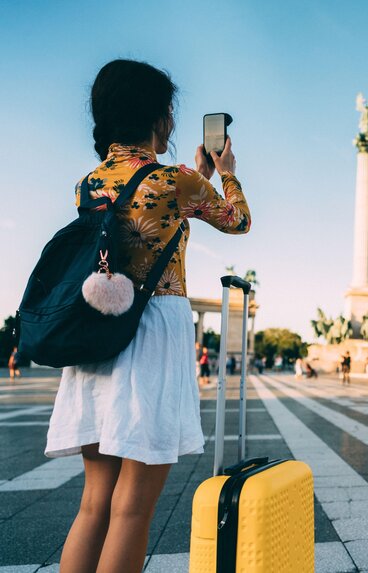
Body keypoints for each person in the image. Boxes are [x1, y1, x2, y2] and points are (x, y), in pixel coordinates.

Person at [44, 59, 250, 573]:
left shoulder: (88, 183)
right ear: (157, 117)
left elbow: (144, 214)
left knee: (95, 502)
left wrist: (198, 179)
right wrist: (226, 174)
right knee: (133, 505)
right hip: (153, 331)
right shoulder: (176, 179)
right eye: (170, 112)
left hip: (98, 329)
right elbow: (238, 221)